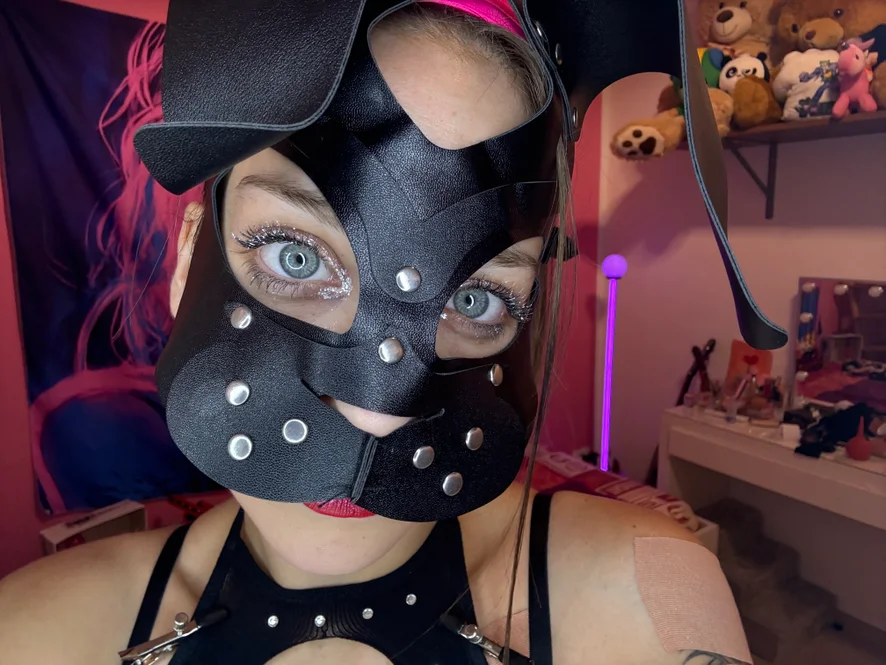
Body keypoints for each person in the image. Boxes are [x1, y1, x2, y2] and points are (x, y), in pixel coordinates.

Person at [0, 1, 762, 664]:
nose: (376, 415)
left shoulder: (638, 596)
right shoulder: (36, 633)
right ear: (188, 259)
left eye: (477, 298)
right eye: (296, 257)